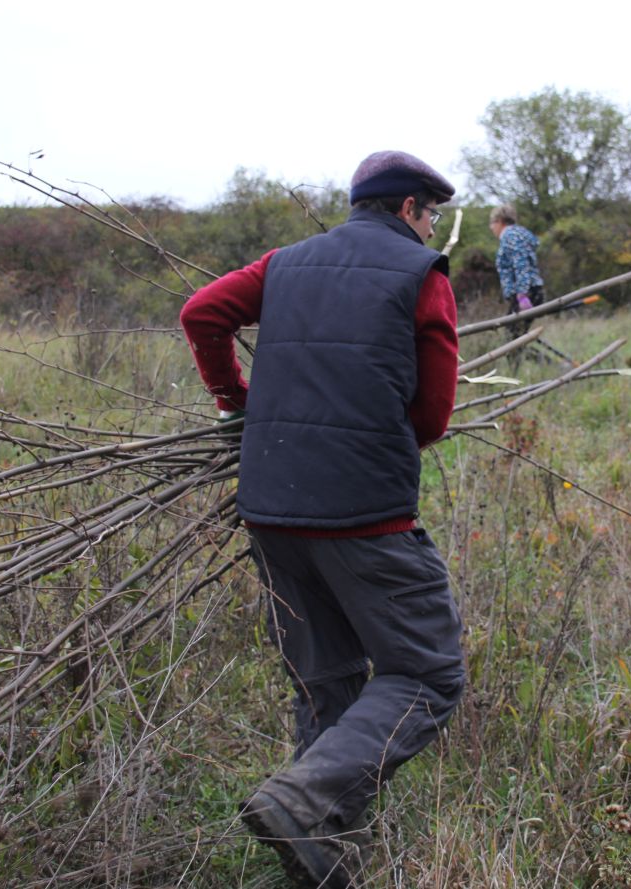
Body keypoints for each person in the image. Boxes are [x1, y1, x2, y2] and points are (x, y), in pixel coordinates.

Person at [179, 150, 465, 888]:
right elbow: (431, 417)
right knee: (427, 673)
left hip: (269, 506)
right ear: (408, 208)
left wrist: (232, 397)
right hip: (363, 509)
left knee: (326, 681)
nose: (429, 227)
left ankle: (319, 852)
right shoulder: (421, 273)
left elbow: (200, 312)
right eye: (428, 213)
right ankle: (302, 798)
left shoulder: (284, 263)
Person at [489, 205, 545, 329]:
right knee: (516, 335)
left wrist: (522, 295)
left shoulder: (510, 236)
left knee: (513, 337)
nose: (491, 228)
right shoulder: (520, 234)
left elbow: (521, 264)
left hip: (525, 294)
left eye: (492, 223)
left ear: (499, 221)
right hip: (531, 290)